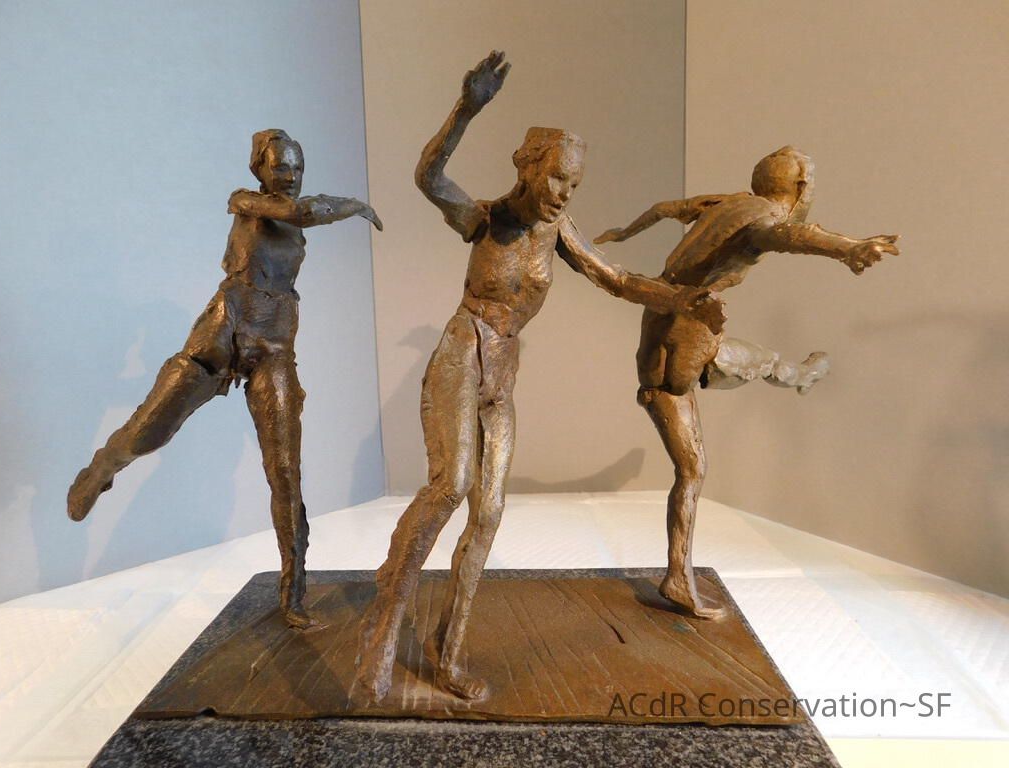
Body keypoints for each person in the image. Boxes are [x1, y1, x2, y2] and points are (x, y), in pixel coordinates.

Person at [354, 52, 718, 704]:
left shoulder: (558, 231)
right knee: (450, 486)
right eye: (555, 178)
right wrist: (466, 108)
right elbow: (428, 176)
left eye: (573, 185)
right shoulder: (488, 219)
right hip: (461, 353)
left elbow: (616, 279)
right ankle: (384, 624)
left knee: (489, 512)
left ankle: (448, 652)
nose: (563, 194)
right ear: (527, 169)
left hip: (503, 371)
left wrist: (680, 298)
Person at [67, 129, 382, 629]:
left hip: (275, 343)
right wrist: (357, 206)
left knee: (285, 470)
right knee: (149, 432)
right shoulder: (246, 202)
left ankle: (293, 590)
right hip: (222, 331)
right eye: (280, 167)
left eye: (297, 168)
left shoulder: (295, 222)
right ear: (259, 170)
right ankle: (102, 468)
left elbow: (302, 215)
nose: (290, 176)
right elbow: (300, 211)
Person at [594, 145, 898, 618]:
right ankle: (678, 577)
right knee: (693, 465)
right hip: (687, 334)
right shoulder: (764, 220)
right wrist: (849, 249)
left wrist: (623, 232)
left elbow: (662, 208)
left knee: (714, 394)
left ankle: (797, 373)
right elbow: (790, 236)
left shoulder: (729, 202)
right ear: (801, 188)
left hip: (662, 323)